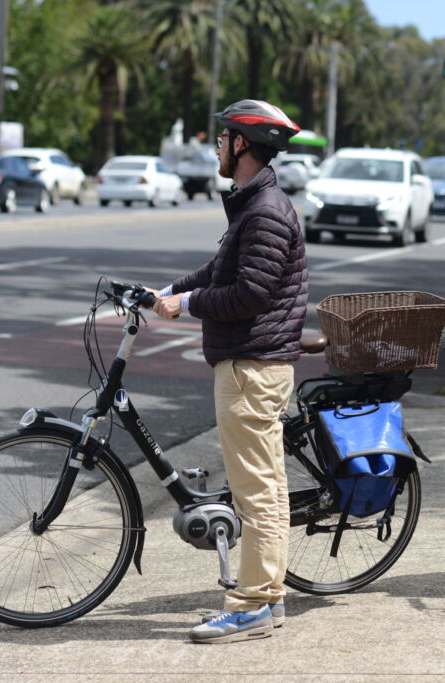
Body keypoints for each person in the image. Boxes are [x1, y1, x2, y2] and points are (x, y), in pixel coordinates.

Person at [149, 99, 308, 643]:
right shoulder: (255, 204)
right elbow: (221, 270)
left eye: (222, 139)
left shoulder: (263, 211)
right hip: (251, 365)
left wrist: (188, 305)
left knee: (258, 494)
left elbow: (250, 293)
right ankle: (267, 598)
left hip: (251, 367)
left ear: (241, 144)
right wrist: (168, 292)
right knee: (263, 489)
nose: (216, 147)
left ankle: (255, 605)